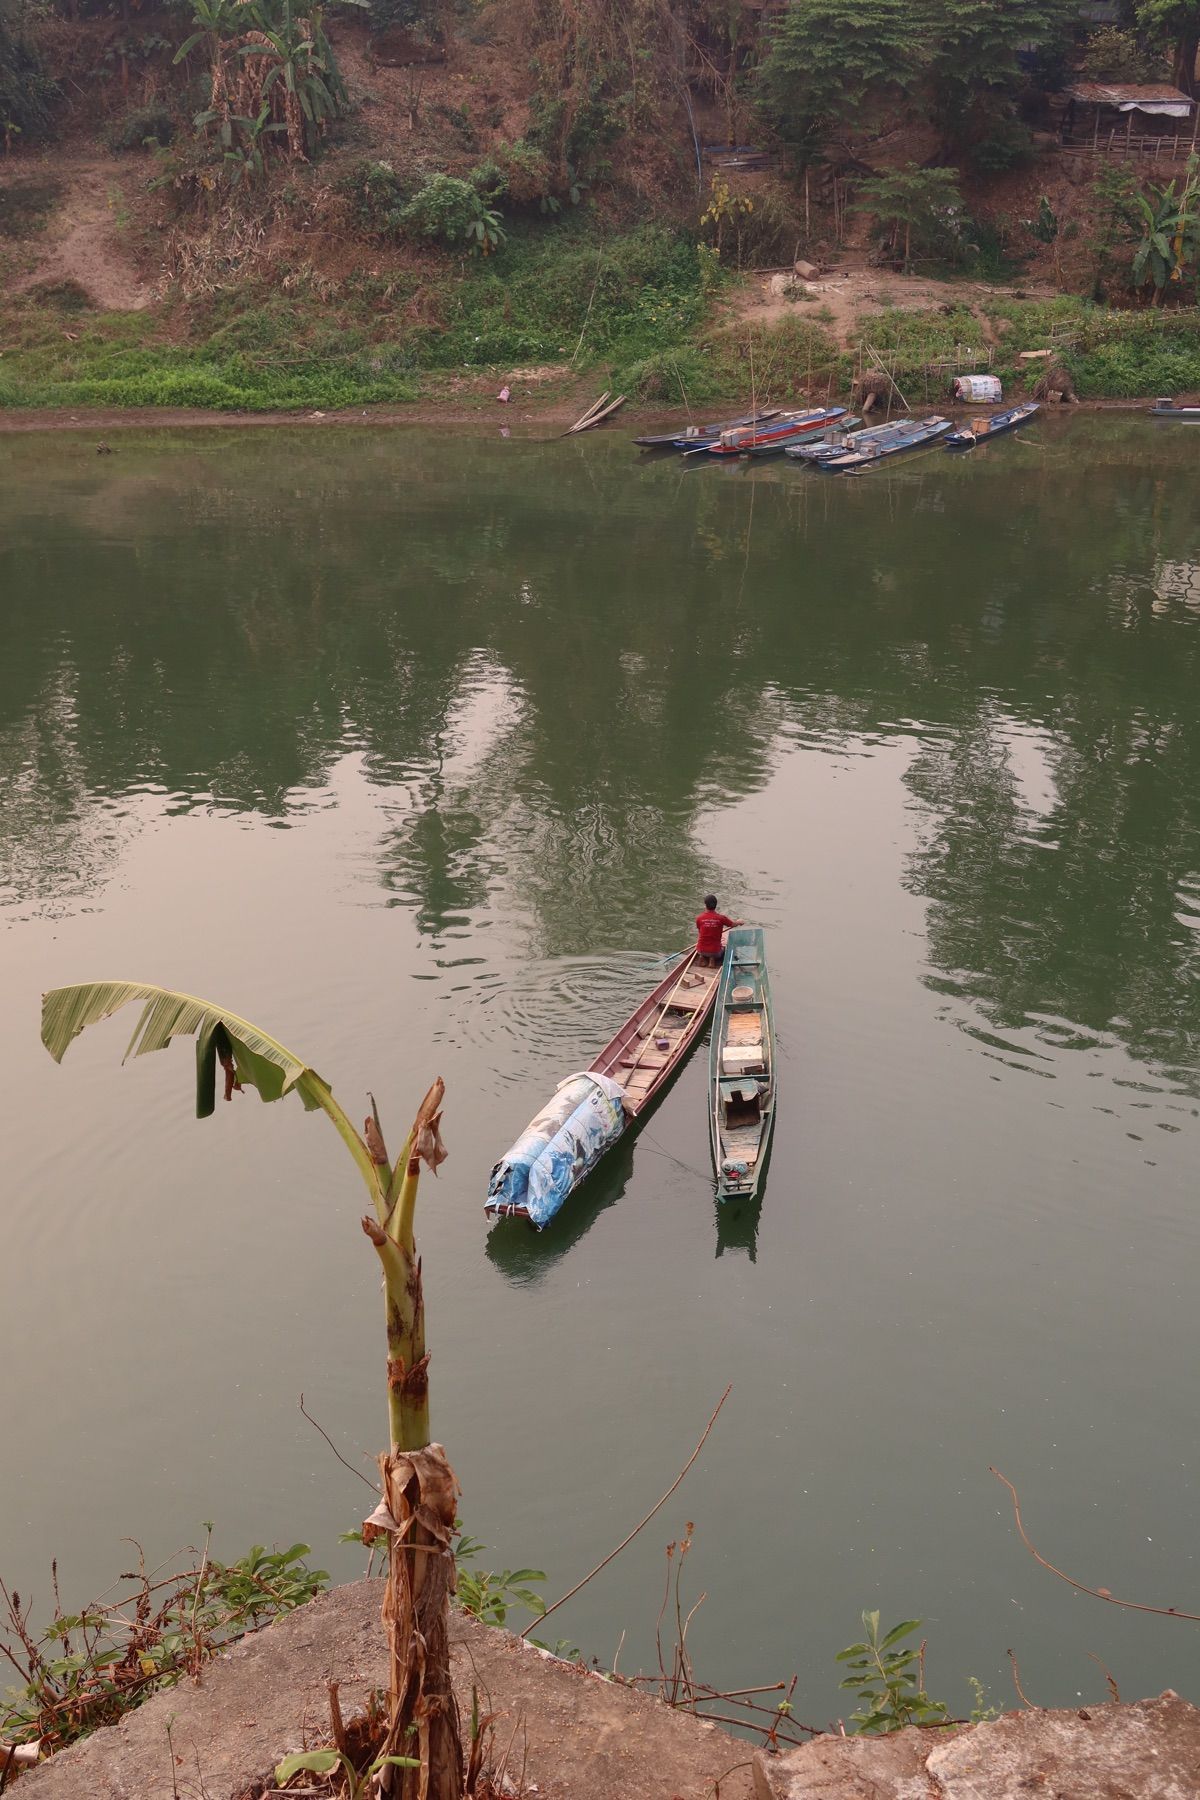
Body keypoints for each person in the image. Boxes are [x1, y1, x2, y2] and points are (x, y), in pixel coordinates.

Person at [695, 894, 741, 967]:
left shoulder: (699, 918)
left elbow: (700, 932)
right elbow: (733, 924)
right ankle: (712, 959)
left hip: (701, 950)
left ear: (705, 905)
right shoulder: (721, 918)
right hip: (715, 952)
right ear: (716, 905)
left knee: (700, 945)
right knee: (723, 948)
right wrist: (739, 922)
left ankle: (702, 957)